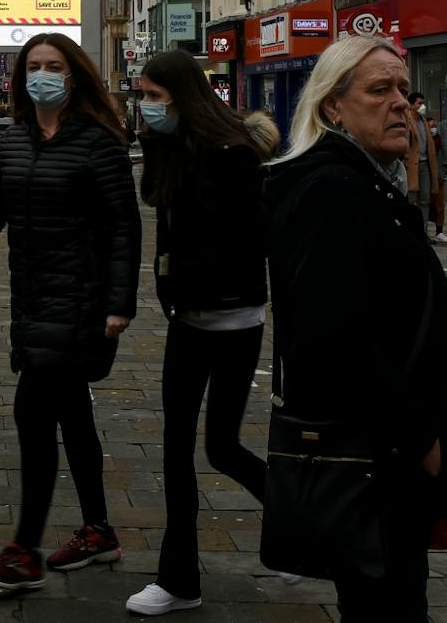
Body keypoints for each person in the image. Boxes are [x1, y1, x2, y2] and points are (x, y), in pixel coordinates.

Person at [262, 34, 447, 621]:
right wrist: (422, 439)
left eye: (403, 88)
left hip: (381, 451)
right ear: (332, 108)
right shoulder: (332, 189)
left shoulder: (369, 183)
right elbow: (330, 338)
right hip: (373, 456)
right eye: (380, 90)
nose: (403, 103)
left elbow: (373, 315)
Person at [0, 33, 140, 597]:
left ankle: (25, 551)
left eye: (53, 66)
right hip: (33, 300)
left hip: (83, 300)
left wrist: (121, 301)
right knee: (72, 415)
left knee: (33, 412)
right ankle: (98, 530)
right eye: (34, 67)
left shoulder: (99, 143)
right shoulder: (15, 142)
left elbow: (125, 226)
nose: (42, 74)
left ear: (74, 77)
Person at [125, 50, 276, 618]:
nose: (145, 108)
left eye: (153, 98)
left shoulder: (233, 156)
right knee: (175, 450)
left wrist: (197, 277)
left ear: (183, 97)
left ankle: (299, 530)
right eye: (141, 96)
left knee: (221, 447)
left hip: (235, 320)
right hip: (187, 321)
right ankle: (179, 579)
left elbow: (253, 239)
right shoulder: (169, 150)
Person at [406, 89, 447, 244]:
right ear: (411, 105)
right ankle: (411, 231)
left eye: (423, 103)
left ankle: (423, 232)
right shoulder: (407, 121)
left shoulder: (424, 122)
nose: (422, 106)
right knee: (412, 200)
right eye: (419, 103)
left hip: (425, 165)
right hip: (412, 165)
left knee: (425, 199)